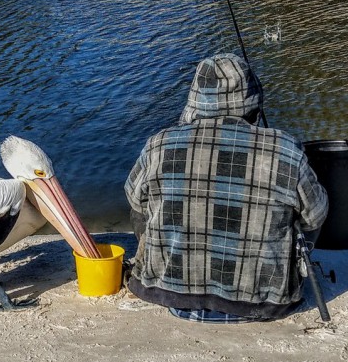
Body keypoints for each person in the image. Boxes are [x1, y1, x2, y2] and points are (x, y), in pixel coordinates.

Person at [124, 53, 328, 323]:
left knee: (142, 205)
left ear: (196, 97)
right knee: (307, 206)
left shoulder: (159, 144)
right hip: (265, 303)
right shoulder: (286, 149)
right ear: (253, 97)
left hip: (169, 294)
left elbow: (135, 202)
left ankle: (166, 271)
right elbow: (316, 215)